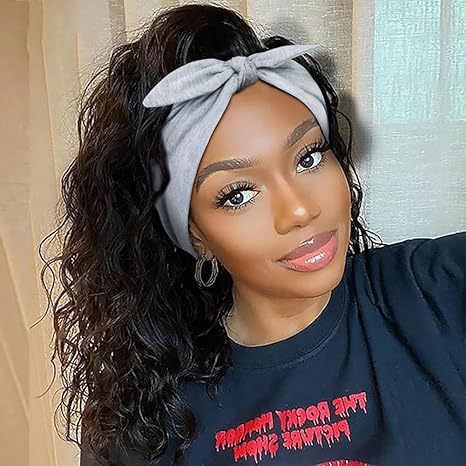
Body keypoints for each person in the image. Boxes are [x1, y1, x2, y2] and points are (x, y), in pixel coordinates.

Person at [40, 3, 466, 466]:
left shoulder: (440, 289)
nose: (299, 210)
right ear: (195, 236)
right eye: (238, 194)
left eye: (308, 157)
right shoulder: (146, 427)